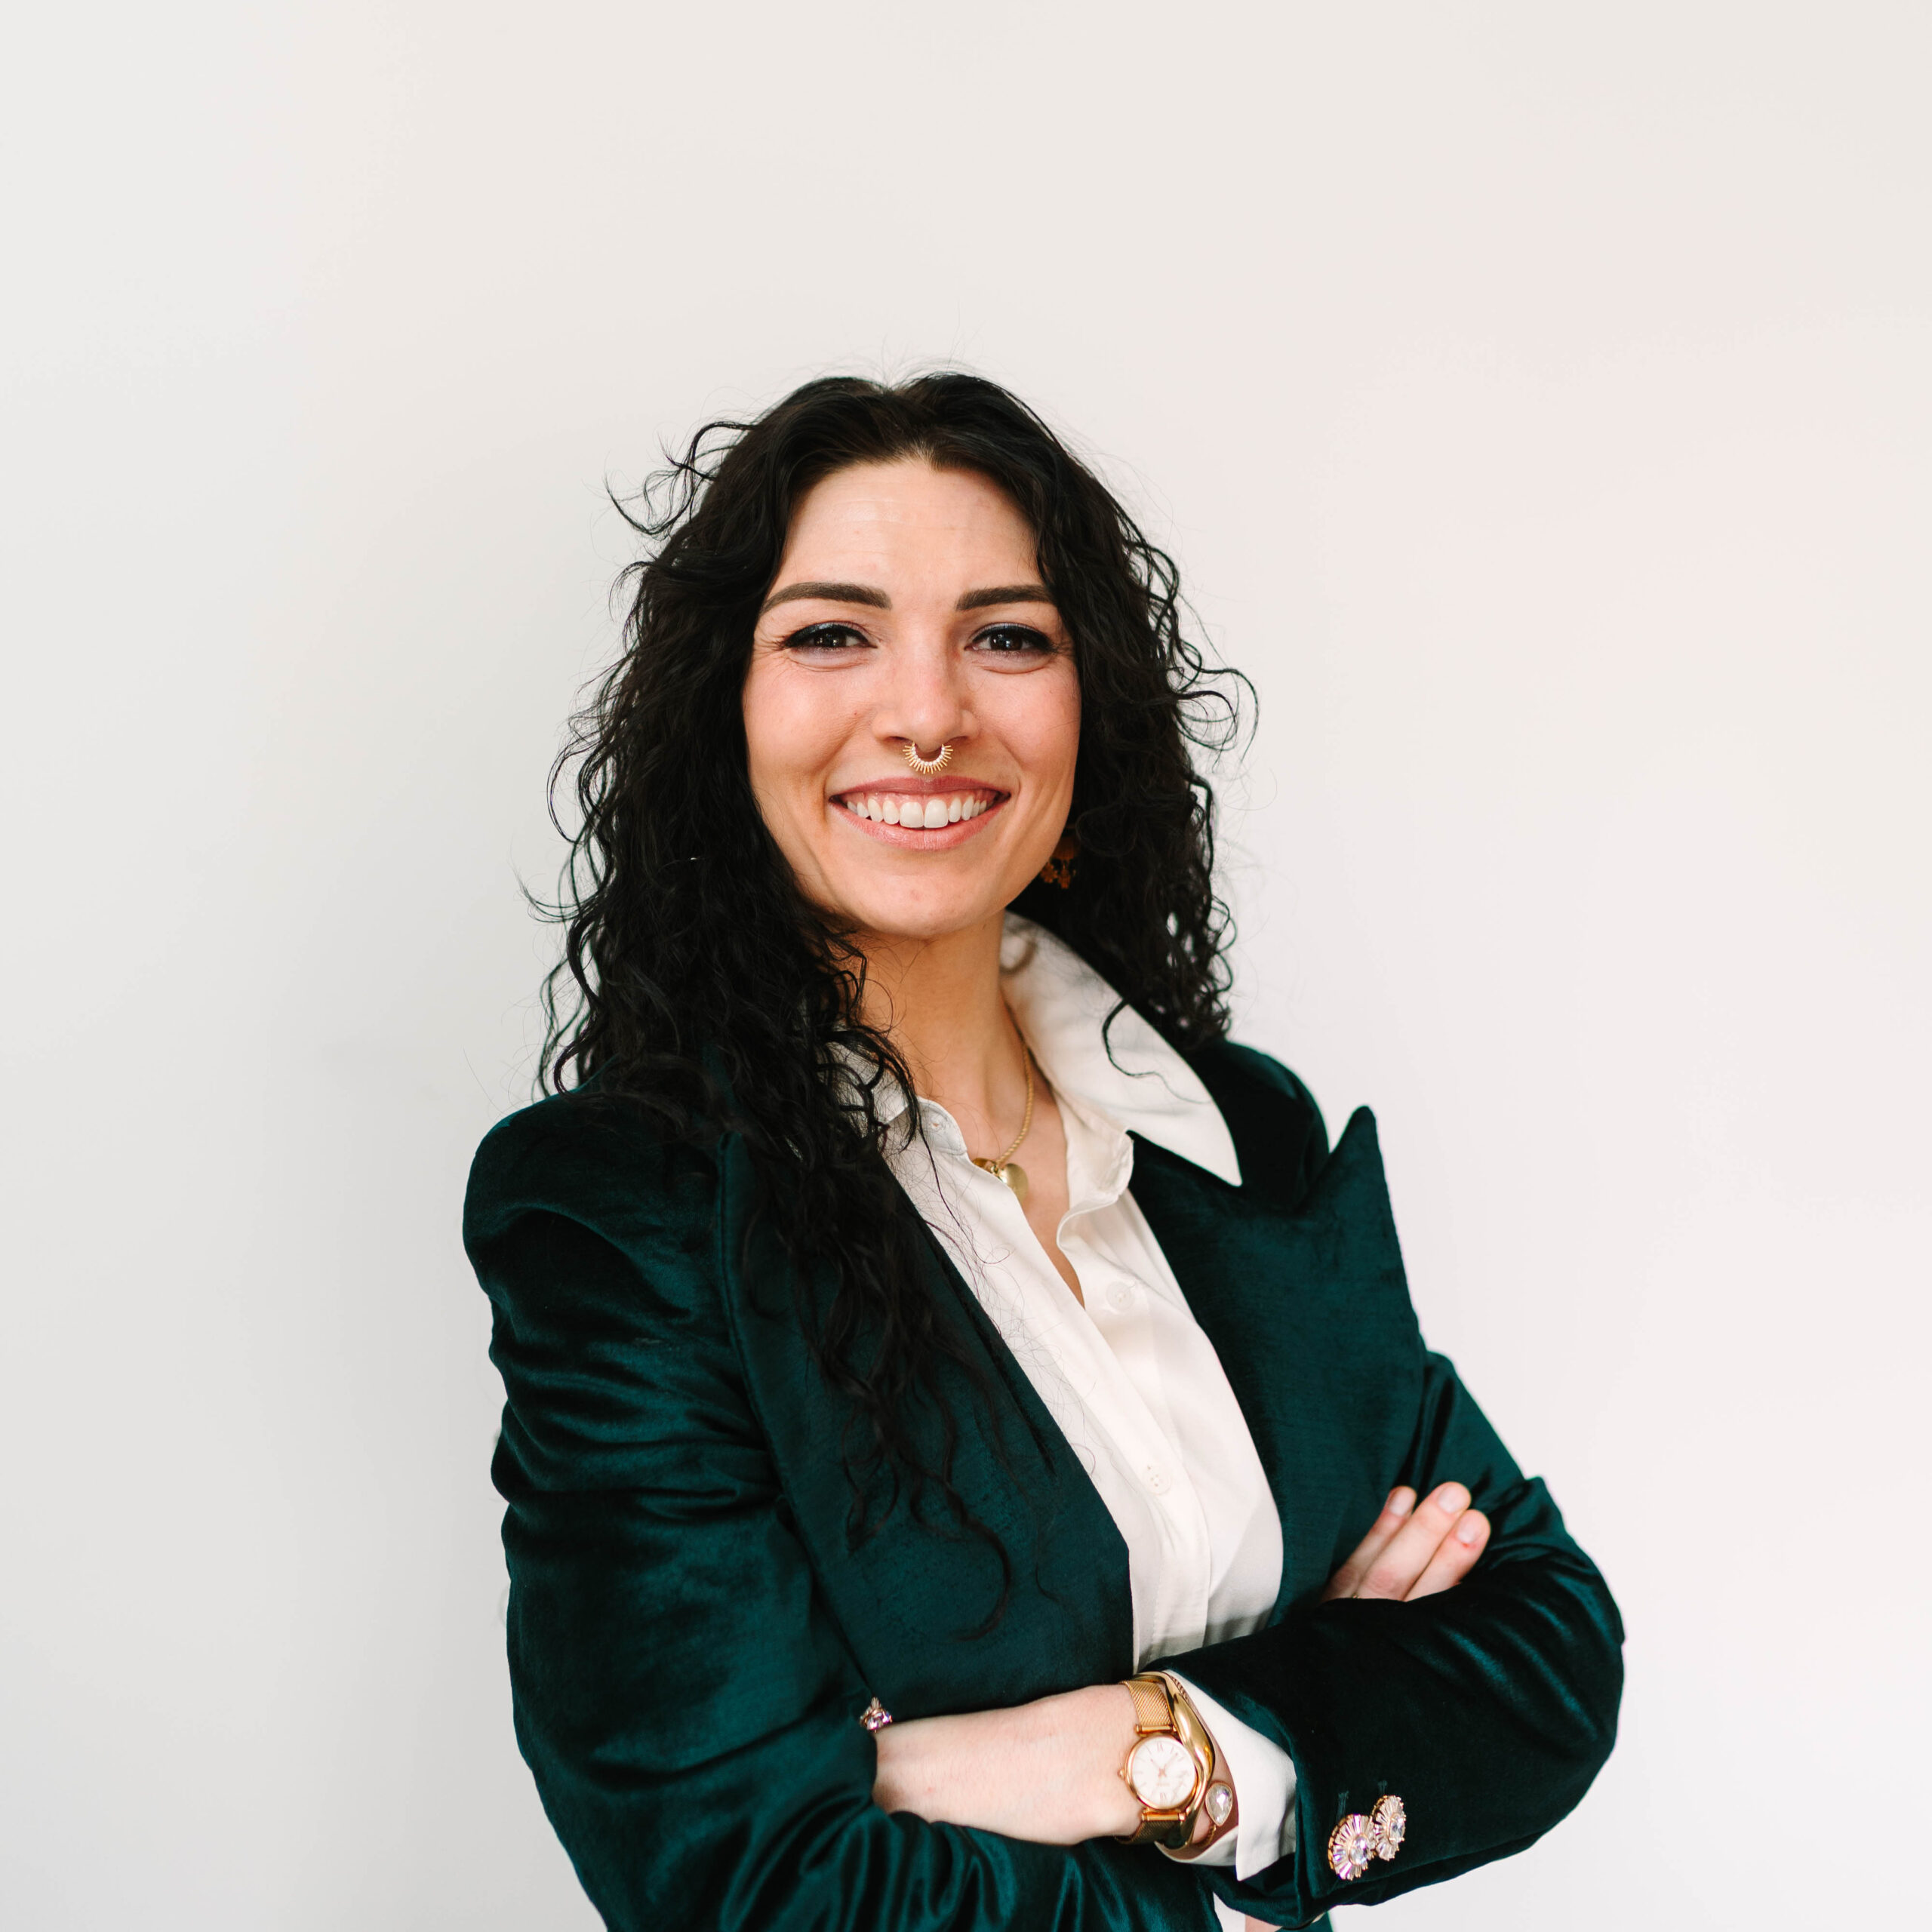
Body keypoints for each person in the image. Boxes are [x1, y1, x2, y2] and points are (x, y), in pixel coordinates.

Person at [463, 374, 1622, 1932]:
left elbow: (1542, 1642)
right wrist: (1297, 1722)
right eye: (830, 632)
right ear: (722, 720)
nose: (927, 709)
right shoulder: (630, 1218)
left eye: (1005, 634)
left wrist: (1135, 1752)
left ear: (1091, 709)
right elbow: (744, 1881)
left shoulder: (1231, 1135)